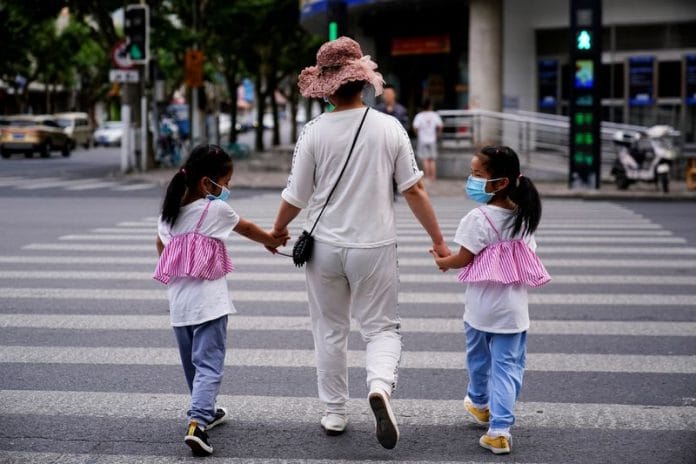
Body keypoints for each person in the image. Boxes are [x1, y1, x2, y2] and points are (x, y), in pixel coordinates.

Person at [270, 36, 450, 450]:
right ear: (362, 82)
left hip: (324, 247)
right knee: (381, 328)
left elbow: (295, 195)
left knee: (330, 330)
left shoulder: (313, 131)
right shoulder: (389, 127)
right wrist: (439, 242)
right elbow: (415, 190)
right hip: (375, 247)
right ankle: (380, 386)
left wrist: (277, 232)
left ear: (326, 87)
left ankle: (334, 411)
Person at [153, 144, 287, 456]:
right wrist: (273, 239)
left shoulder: (167, 213)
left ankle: (206, 411)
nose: (227, 189)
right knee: (210, 364)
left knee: (193, 366)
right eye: (224, 183)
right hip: (210, 306)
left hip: (179, 306)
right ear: (206, 184)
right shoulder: (214, 210)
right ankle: (198, 423)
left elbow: (160, 247)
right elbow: (248, 228)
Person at [429, 146, 550, 455]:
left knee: (479, 361)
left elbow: (462, 258)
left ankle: (480, 403)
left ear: (500, 183)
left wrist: (443, 260)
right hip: (513, 314)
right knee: (507, 369)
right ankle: (499, 430)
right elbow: (528, 256)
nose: (471, 180)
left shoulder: (478, 218)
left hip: (480, 311)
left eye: (478, 175)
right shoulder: (523, 217)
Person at [412, 99, 443, 182]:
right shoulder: (435, 115)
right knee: (432, 159)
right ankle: (433, 177)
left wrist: (418, 134)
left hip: (422, 139)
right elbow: (440, 126)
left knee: (425, 159)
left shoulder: (419, 116)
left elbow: (415, 127)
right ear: (430, 106)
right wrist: (438, 134)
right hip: (432, 139)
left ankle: (427, 176)